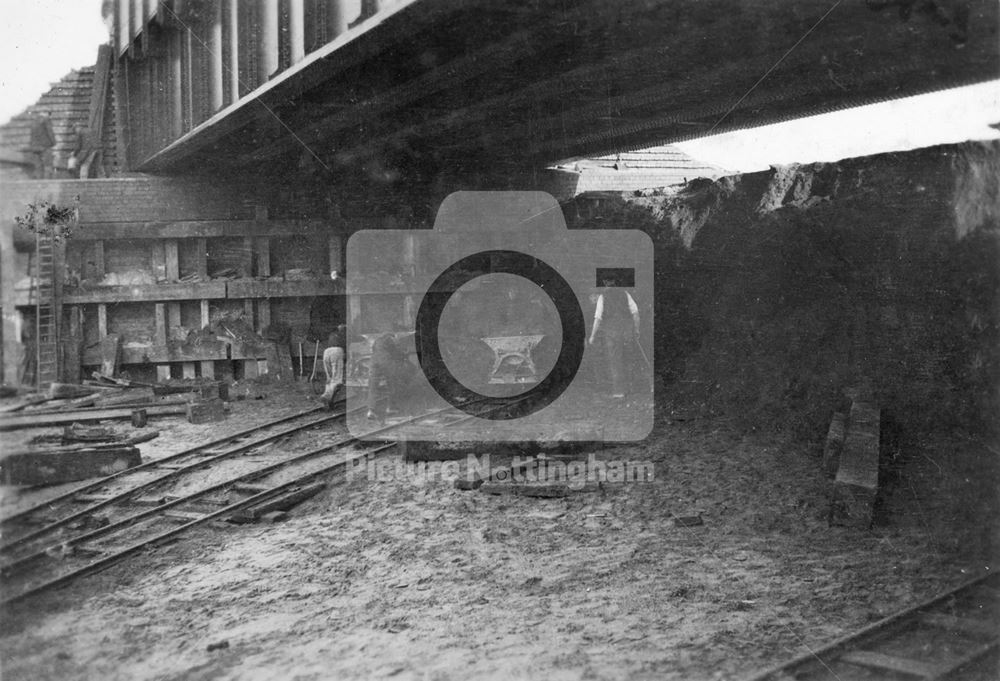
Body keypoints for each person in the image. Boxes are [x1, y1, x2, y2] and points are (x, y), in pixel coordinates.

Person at [588, 281, 640, 398]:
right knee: (629, 358)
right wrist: (636, 330)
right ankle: (631, 388)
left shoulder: (603, 297)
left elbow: (598, 318)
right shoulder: (625, 294)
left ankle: (619, 391)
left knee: (615, 360)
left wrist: (592, 335)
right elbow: (636, 314)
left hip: (612, 334)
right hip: (627, 333)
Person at [366, 333, 417, 424]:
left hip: (373, 361)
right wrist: (404, 355)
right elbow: (396, 353)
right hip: (385, 361)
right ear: (391, 335)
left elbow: (374, 350)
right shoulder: (391, 339)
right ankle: (391, 407)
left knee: (373, 386)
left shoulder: (377, 340)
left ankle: (371, 411)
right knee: (392, 383)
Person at [320, 325, 347, 408]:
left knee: (329, 377)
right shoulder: (344, 335)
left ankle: (329, 399)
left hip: (326, 352)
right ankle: (327, 396)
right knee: (336, 378)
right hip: (337, 351)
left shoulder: (332, 334)